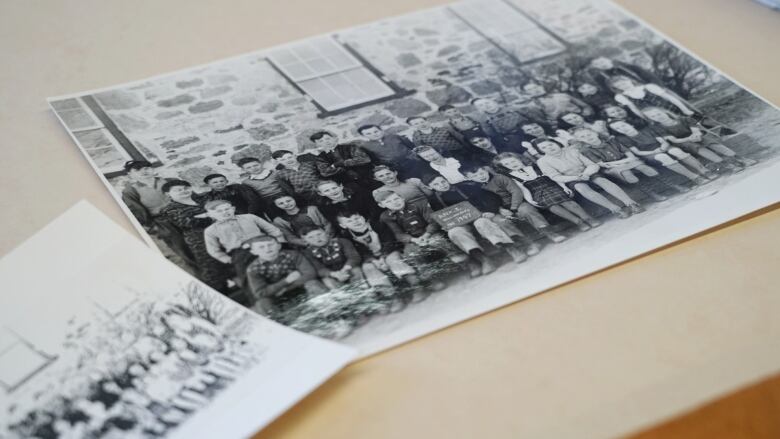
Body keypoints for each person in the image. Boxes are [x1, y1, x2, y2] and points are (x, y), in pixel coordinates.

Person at [423, 174, 536, 265]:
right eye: (437, 184)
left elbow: (491, 198)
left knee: (482, 223)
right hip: (462, 224)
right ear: (430, 187)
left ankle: (511, 249)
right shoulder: (433, 200)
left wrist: (490, 210)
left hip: (480, 216)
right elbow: (440, 217)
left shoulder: (465, 187)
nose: (442, 185)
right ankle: (484, 260)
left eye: (443, 181)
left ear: (446, 178)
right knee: (454, 232)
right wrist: (446, 224)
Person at [335, 210, 431, 302]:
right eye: (349, 221)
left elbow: (389, 241)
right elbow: (359, 252)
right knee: (368, 268)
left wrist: (383, 256)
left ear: (363, 217)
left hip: (389, 251)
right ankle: (392, 296)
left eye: (357, 218)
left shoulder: (378, 225)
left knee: (393, 260)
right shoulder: (346, 236)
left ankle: (416, 286)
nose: (355, 222)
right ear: (343, 225)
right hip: (370, 258)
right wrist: (373, 260)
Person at [534, 137, 643, 218]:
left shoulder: (572, 150)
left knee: (601, 180)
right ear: (541, 151)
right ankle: (616, 209)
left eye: (550, 144)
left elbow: (592, 164)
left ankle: (631, 203)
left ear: (556, 143)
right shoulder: (543, 161)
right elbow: (555, 176)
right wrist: (576, 178)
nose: (549, 147)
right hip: (571, 179)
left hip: (588, 173)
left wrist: (586, 174)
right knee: (582, 188)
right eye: (544, 147)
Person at [203, 199, 286, 302]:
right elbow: (213, 250)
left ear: (233, 209)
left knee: (279, 265)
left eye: (227, 209)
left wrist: (280, 242)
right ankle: (263, 301)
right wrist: (228, 259)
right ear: (210, 214)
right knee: (248, 276)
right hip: (240, 253)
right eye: (219, 211)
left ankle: (289, 290)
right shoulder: (210, 230)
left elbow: (272, 230)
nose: (225, 212)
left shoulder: (249, 217)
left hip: (263, 244)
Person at [462, 164, 567, 243]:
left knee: (526, 210)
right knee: (499, 220)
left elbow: (516, 191)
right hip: (499, 209)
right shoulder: (478, 188)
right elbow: (486, 202)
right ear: (469, 178)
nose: (480, 177)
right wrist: (499, 210)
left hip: (517, 203)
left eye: (481, 173)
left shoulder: (499, 178)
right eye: (475, 176)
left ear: (485, 170)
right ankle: (526, 242)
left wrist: (513, 208)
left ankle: (549, 232)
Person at [493, 152, 599, 231]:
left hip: (552, 187)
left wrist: (564, 187)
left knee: (569, 202)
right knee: (553, 207)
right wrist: (531, 201)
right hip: (537, 194)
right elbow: (523, 189)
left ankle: (587, 218)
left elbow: (553, 177)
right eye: (507, 164)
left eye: (513, 161)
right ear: (504, 167)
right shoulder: (513, 176)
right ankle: (578, 222)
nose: (512, 164)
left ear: (519, 159)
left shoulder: (536, 167)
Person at [375, 190, 470, 275]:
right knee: (410, 252)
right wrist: (413, 240)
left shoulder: (419, 204)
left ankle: (467, 263)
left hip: (430, 233)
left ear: (402, 197)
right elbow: (398, 234)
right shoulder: (386, 216)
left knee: (437, 240)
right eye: (388, 202)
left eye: (396, 198)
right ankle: (430, 277)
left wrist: (427, 234)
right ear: (381, 205)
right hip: (413, 239)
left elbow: (433, 222)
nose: (395, 203)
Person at [121, 160, 194, 269]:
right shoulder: (130, 191)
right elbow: (136, 211)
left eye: (146, 168)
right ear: (130, 174)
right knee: (183, 249)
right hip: (163, 223)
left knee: (201, 242)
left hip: (186, 216)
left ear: (152, 169)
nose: (143, 171)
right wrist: (153, 227)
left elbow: (190, 197)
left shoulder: (170, 181)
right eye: (137, 170)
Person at [572, 128, 678, 201]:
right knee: (626, 172)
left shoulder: (612, 141)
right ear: (580, 140)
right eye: (583, 137)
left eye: (589, 134)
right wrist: (622, 162)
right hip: (612, 169)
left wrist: (622, 161)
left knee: (643, 167)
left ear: (595, 133)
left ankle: (671, 185)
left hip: (626, 161)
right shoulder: (587, 151)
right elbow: (604, 165)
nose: (587, 137)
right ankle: (652, 193)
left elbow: (631, 156)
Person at [159, 180, 230, 291]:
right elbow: (188, 222)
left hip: (225, 234)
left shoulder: (203, 200)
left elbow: (226, 210)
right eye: (178, 190)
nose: (184, 191)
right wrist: (213, 215)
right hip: (201, 240)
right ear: (168, 194)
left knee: (234, 260)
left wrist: (204, 216)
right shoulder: (170, 209)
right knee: (213, 269)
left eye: (186, 188)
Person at [642, 107, 757, 171]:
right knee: (694, 146)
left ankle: (740, 158)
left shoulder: (683, 119)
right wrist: (690, 139)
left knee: (706, 139)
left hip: (696, 136)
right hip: (683, 143)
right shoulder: (658, 128)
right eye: (653, 116)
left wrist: (695, 135)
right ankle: (727, 164)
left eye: (658, 113)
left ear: (664, 111)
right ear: (651, 119)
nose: (658, 116)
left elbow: (695, 130)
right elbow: (674, 140)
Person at [608, 118, 714, 184]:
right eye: (618, 129)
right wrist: (655, 152)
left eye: (622, 125)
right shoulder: (623, 139)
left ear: (629, 124)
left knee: (676, 151)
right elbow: (638, 153)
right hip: (649, 155)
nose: (622, 128)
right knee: (662, 157)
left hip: (663, 147)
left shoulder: (646, 130)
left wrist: (663, 146)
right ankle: (694, 177)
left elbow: (662, 141)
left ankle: (704, 171)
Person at [244, 236, 327, 316]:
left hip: (300, 288)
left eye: (270, 245)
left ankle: (328, 310)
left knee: (313, 284)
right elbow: (260, 293)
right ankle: (280, 323)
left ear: (279, 246)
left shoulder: (293, 255)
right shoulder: (253, 268)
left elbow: (310, 274)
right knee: (262, 303)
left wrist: (286, 288)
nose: (267, 249)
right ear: (253, 252)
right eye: (261, 247)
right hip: (277, 296)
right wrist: (286, 281)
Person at [300, 226, 364, 290]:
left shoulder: (342, 241)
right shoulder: (308, 253)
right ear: (305, 241)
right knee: (327, 281)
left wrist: (345, 270)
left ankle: (362, 289)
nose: (317, 238)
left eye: (319, 234)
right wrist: (335, 274)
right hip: (331, 275)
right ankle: (341, 295)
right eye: (310, 237)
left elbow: (353, 257)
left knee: (356, 270)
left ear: (326, 233)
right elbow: (319, 269)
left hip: (348, 268)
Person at [471, 97, 539, 157]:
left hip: (529, 131)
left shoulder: (512, 108)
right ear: (479, 109)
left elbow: (533, 118)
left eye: (487, 102)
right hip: (513, 138)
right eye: (481, 105)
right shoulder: (485, 120)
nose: (486, 106)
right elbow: (492, 134)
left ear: (494, 102)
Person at [356, 124, 426, 178]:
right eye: (368, 133)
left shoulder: (395, 136)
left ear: (381, 130)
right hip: (396, 169)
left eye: (376, 131)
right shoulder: (365, 146)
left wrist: (415, 157)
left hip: (414, 162)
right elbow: (375, 160)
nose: (374, 134)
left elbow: (412, 147)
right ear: (363, 136)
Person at [308, 131, 374, 183]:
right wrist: (350, 164)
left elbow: (365, 159)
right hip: (346, 183)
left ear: (334, 138)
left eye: (327, 138)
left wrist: (339, 164)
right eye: (321, 141)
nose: (326, 141)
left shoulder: (350, 147)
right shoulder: (321, 157)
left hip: (368, 176)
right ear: (317, 144)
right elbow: (325, 172)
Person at [522, 81, 594, 125]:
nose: (535, 90)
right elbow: (542, 121)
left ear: (541, 86)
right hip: (564, 125)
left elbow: (585, 106)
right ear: (526, 93)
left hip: (583, 118)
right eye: (530, 89)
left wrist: (586, 113)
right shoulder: (532, 105)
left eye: (535, 87)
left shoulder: (561, 95)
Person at [193, 173, 262, 215]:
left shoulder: (238, 188)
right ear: (208, 185)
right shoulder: (209, 197)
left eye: (222, 181)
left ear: (227, 181)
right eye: (215, 182)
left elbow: (254, 201)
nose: (219, 183)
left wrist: (249, 215)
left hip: (252, 214)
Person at [587, 56, 663, 90]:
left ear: (608, 59)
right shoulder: (600, 77)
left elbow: (650, 77)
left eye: (602, 61)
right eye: (597, 64)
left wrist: (658, 87)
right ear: (595, 67)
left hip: (650, 89)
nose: (602, 64)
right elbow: (609, 91)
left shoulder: (627, 66)